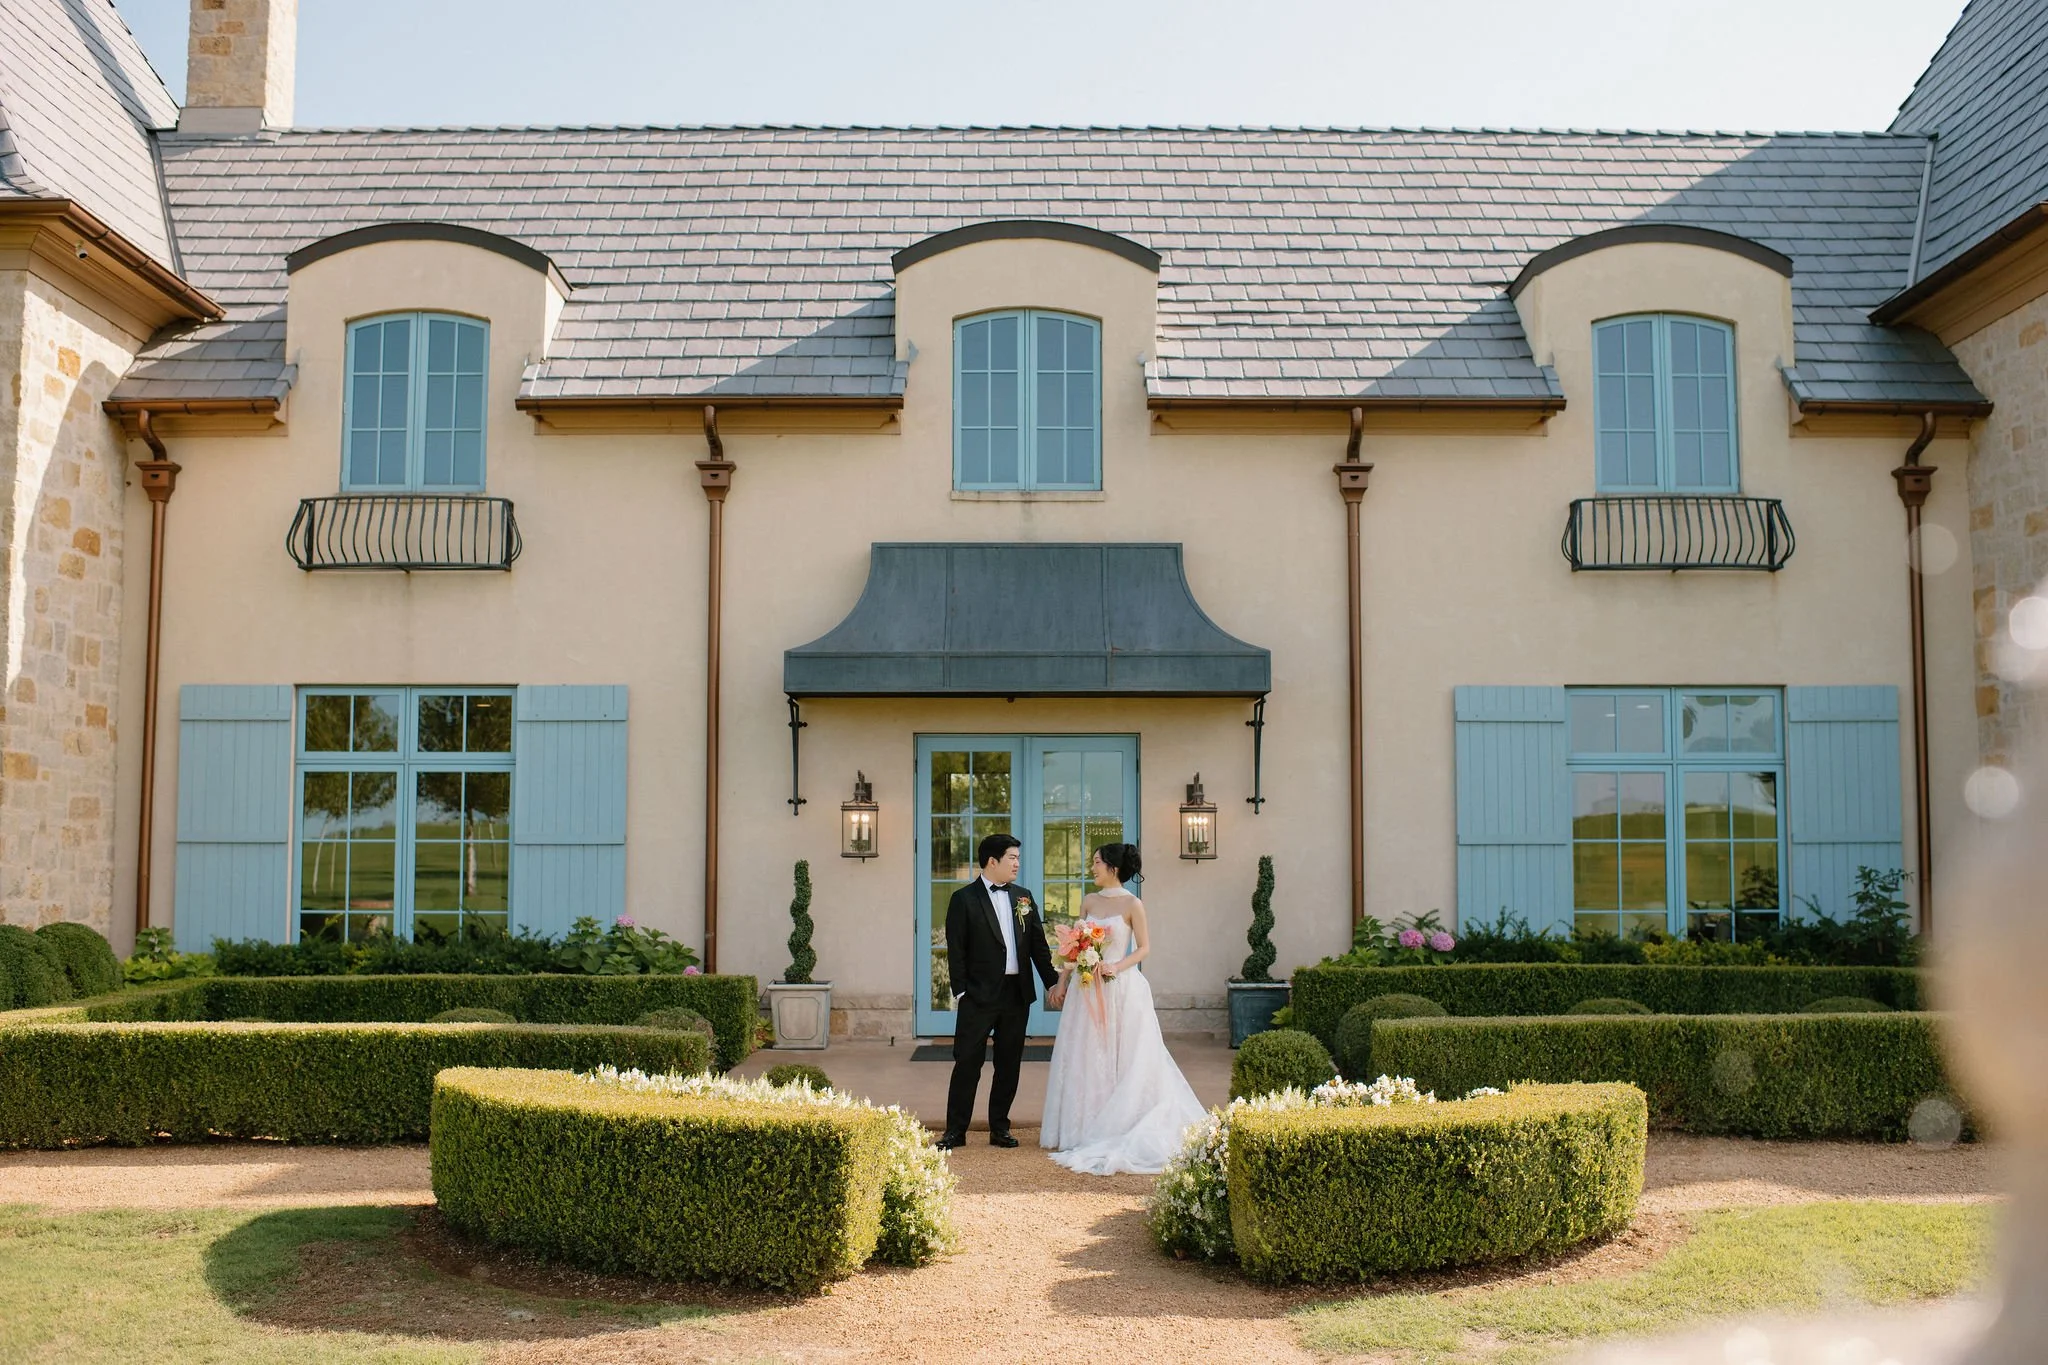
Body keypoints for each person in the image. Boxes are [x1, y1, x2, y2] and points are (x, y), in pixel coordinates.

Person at [1041, 841, 1207, 1175]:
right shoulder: (1089, 901)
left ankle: (1119, 1122)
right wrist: (1061, 981)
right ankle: (1082, 1127)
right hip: (1086, 989)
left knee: (1125, 1054)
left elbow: (1144, 948)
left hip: (1121, 988)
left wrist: (1116, 966)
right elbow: (1073, 947)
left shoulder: (1133, 904)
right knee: (1086, 1054)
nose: (1092, 868)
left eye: (1096, 862)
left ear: (1113, 868)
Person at [938, 832, 1059, 1150]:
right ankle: (955, 1131)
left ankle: (1000, 1128)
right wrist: (962, 992)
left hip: (1016, 995)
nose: (1018, 863)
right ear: (992, 861)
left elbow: (1038, 946)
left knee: (1009, 1064)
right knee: (967, 1063)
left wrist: (1052, 982)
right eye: (1012, 858)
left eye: (1018, 858)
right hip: (977, 996)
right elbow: (956, 950)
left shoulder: (1023, 897)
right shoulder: (963, 899)